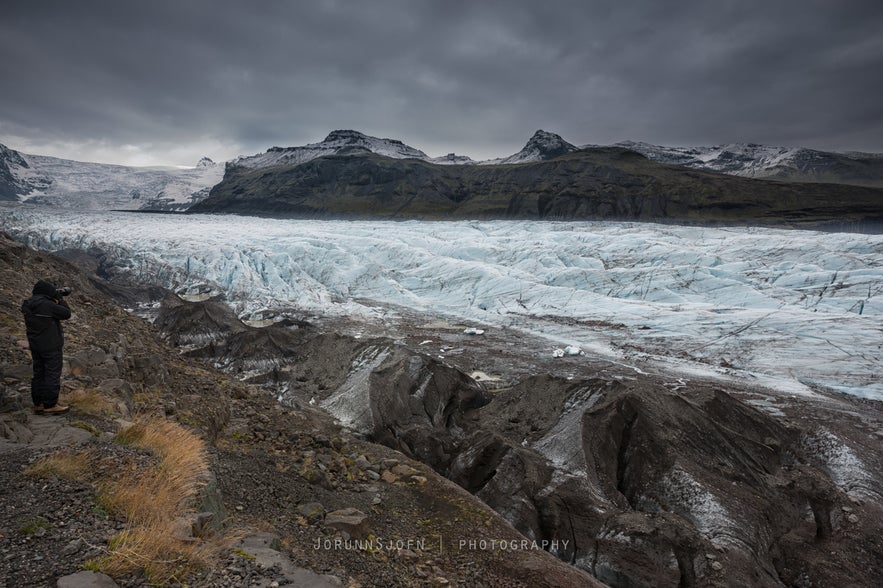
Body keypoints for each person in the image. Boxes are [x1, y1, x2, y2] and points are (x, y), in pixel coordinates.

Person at [21, 280, 72, 414]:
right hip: (50, 345)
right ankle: (50, 405)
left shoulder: (28, 303)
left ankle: (38, 404)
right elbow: (66, 313)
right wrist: (59, 297)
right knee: (52, 374)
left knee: (39, 374)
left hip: (35, 344)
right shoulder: (48, 305)